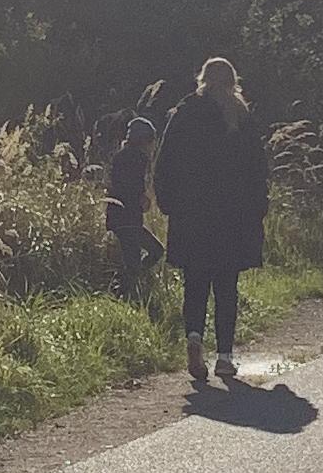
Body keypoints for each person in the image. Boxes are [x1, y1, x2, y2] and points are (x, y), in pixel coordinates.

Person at [155, 56, 270, 384]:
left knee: (195, 282)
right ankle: (224, 357)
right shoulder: (241, 116)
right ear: (233, 80)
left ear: (202, 79)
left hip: (192, 215)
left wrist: (167, 201)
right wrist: (258, 207)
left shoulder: (184, 113)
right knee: (226, 287)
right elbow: (256, 168)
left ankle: (194, 338)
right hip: (231, 217)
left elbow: (165, 161)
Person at [104, 115, 164, 297]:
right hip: (128, 218)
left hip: (118, 216)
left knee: (136, 259)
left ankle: (122, 288)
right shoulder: (138, 158)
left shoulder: (121, 156)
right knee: (153, 252)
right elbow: (133, 189)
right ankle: (121, 292)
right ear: (145, 140)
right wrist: (142, 199)